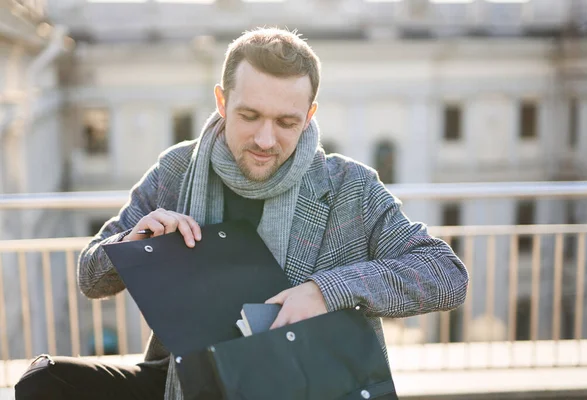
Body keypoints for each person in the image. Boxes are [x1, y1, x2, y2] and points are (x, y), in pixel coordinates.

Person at [15, 27, 469, 400]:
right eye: (249, 115)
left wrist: (327, 291)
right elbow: (90, 277)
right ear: (221, 101)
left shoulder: (350, 187)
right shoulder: (176, 170)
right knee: (42, 384)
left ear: (309, 116)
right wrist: (132, 245)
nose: (266, 139)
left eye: (287, 122)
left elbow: (446, 274)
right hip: (187, 381)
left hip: (301, 384)